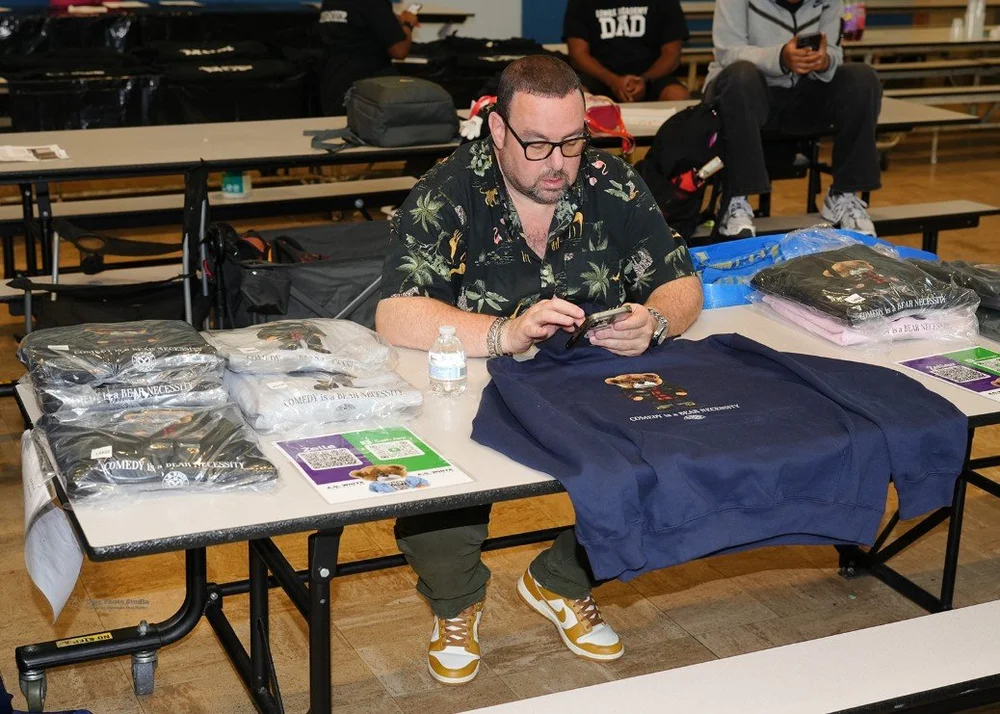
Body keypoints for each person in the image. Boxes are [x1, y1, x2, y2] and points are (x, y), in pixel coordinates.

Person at [376, 54, 703, 685]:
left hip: (589, 375)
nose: (558, 163)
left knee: (665, 449)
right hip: (477, 380)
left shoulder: (611, 180)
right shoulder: (449, 188)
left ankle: (562, 579)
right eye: (538, 144)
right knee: (443, 479)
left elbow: (682, 282)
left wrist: (656, 321)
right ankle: (456, 602)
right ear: (497, 131)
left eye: (573, 141)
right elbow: (396, 313)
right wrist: (504, 332)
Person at [704, 0, 883, 238]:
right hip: (743, 94)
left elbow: (835, 52)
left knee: (862, 78)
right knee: (741, 76)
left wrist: (825, 60)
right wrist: (780, 57)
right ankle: (735, 201)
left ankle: (843, 195)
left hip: (801, 93)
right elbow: (728, 51)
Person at [563, 0, 691, 102]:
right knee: (575, 98)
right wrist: (612, 81)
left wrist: (644, 80)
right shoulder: (580, 2)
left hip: (652, 78)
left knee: (678, 96)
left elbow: (672, 53)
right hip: (599, 78)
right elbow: (578, 54)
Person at [317, 0, 419, 115]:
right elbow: (400, 51)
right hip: (366, 87)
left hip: (332, 82)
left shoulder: (330, 2)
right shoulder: (374, 3)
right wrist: (407, 23)